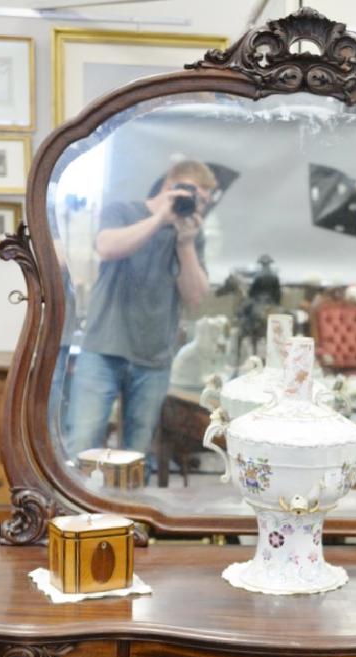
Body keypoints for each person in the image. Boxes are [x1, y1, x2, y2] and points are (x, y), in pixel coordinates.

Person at [66, 158, 216, 459]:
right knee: (83, 445)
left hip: (154, 357)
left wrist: (185, 243)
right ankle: (83, 507)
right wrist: (159, 218)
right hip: (103, 348)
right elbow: (107, 247)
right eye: (193, 196)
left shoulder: (189, 233)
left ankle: (129, 507)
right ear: (170, 187)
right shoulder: (123, 210)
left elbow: (196, 296)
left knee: (138, 454)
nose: (198, 206)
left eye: (203, 201)